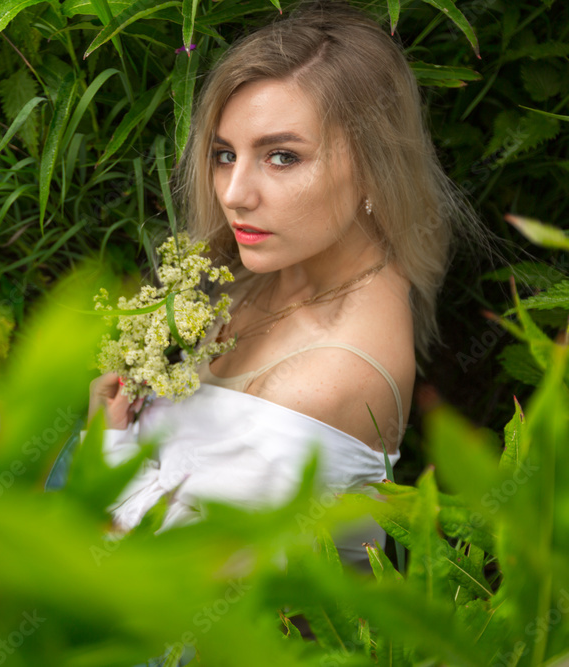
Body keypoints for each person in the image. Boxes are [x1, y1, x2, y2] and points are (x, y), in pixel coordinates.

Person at [86, 0, 483, 573]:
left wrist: (108, 443)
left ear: (374, 164)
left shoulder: (330, 378)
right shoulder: (265, 271)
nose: (233, 193)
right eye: (224, 154)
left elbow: (162, 583)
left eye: (281, 156)